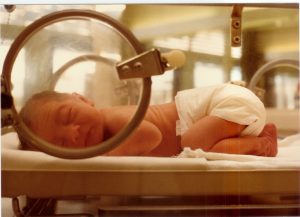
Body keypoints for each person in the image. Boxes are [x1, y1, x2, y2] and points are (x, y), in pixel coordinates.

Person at [20, 83, 278, 157]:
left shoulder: (113, 118)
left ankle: (260, 145)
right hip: (226, 115)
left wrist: (107, 156)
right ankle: (254, 139)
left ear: (83, 99)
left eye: (68, 116)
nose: (73, 133)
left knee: (193, 145)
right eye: (61, 143)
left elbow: (150, 135)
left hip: (226, 100)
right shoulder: (101, 132)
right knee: (204, 151)